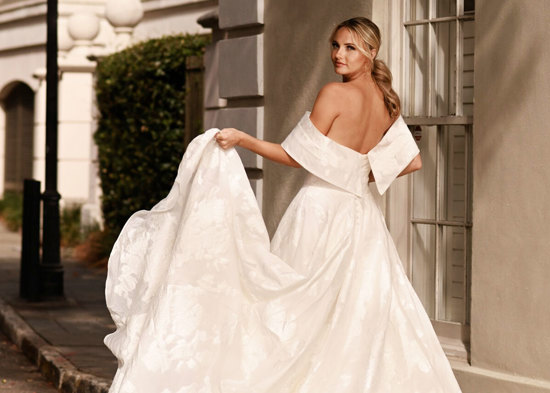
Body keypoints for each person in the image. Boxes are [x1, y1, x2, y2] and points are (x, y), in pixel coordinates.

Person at [104, 17, 463, 393]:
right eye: (335, 45)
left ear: (371, 53)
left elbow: (294, 156)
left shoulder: (334, 94)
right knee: (359, 313)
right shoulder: (386, 101)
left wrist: (244, 138)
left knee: (289, 310)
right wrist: (357, 173)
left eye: (350, 48)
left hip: (319, 213)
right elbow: (412, 161)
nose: (338, 55)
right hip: (362, 216)